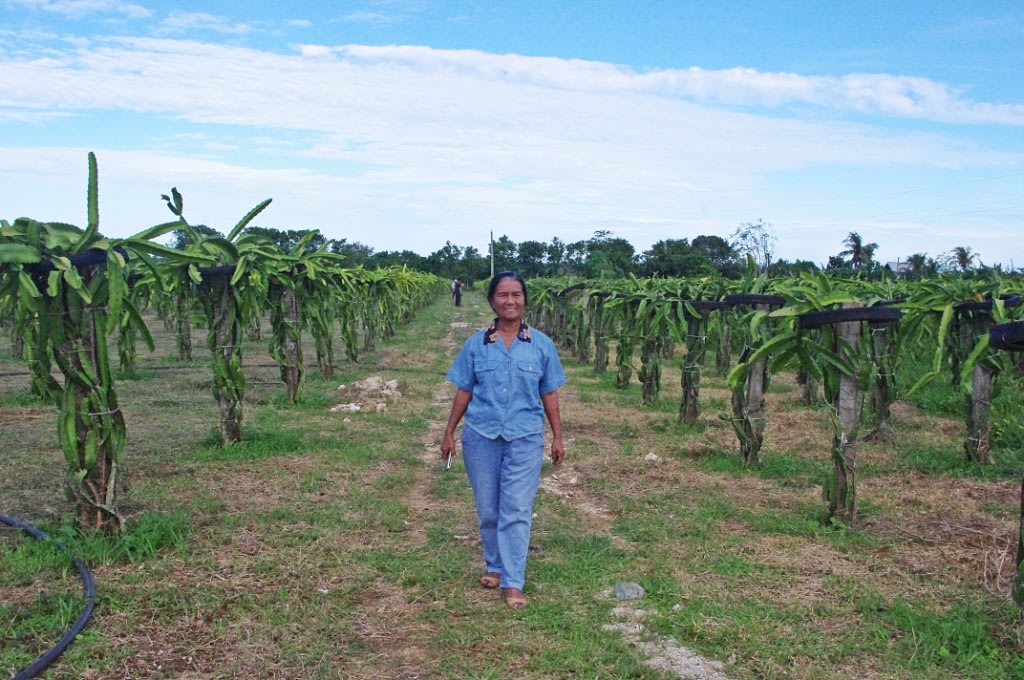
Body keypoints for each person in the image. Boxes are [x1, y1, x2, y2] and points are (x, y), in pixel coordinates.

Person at [441, 271, 565, 610]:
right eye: (503, 295)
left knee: (517, 508)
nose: (510, 301)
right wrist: (450, 431)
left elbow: (549, 392)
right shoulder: (476, 344)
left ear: (525, 299)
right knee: (488, 508)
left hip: (524, 437)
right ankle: (494, 565)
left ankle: (513, 580)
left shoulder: (541, 345)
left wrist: (557, 436)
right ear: (493, 300)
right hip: (481, 436)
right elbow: (464, 389)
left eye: (516, 294)